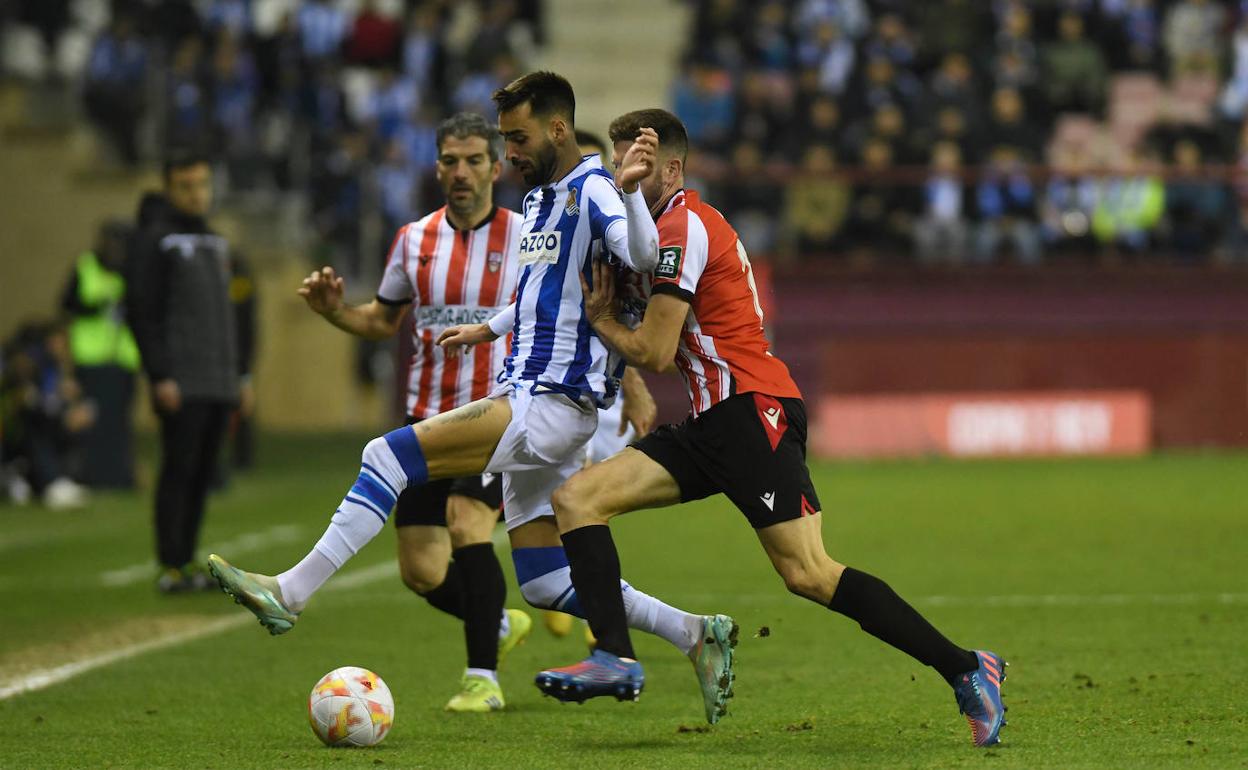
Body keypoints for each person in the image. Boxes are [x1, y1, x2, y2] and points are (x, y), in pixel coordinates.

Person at [207, 72, 736, 725]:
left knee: (387, 454)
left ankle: (290, 590)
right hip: (531, 393)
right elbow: (537, 294)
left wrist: (628, 194)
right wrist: (485, 329)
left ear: (558, 129)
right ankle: (694, 632)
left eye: (516, 139)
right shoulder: (541, 201)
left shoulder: (596, 187)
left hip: (552, 401)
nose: (509, 151)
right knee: (542, 579)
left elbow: (642, 252)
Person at [528, 109, 1008, 746]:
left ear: (670, 168)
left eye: (636, 166)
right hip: (708, 422)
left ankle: (968, 668)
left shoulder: (686, 225)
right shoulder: (640, 235)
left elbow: (655, 349)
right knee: (576, 499)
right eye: (618, 165)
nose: (624, 177)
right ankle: (615, 657)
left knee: (808, 573)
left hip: (753, 411)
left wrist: (604, 323)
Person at [296, 112, 535, 712]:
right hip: (424, 425)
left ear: (495, 167)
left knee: (466, 521)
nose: (461, 172)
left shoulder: (527, 237)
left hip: (493, 420)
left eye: (474, 160)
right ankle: (497, 623)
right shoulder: (413, 239)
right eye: (451, 161)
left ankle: (483, 678)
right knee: (423, 572)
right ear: (437, 168)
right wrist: (333, 311)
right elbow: (382, 319)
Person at [126, 150, 252, 593]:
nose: (197, 194)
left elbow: (233, 316)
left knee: (203, 473)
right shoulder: (154, 240)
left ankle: (187, 557)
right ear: (168, 188)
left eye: (202, 184)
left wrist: (241, 375)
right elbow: (143, 312)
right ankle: (170, 563)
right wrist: (160, 374)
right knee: (178, 469)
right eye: (186, 186)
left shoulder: (217, 241)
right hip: (181, 379)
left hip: (218, 379)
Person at [60, 220, 140, 489]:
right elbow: (67, 304)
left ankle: (118, 477)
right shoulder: (86, 266)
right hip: (91, 359)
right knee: (91, 421)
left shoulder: (131, 271)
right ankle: (92, 476)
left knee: (118, 424)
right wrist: (97, 307)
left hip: (122, 359)